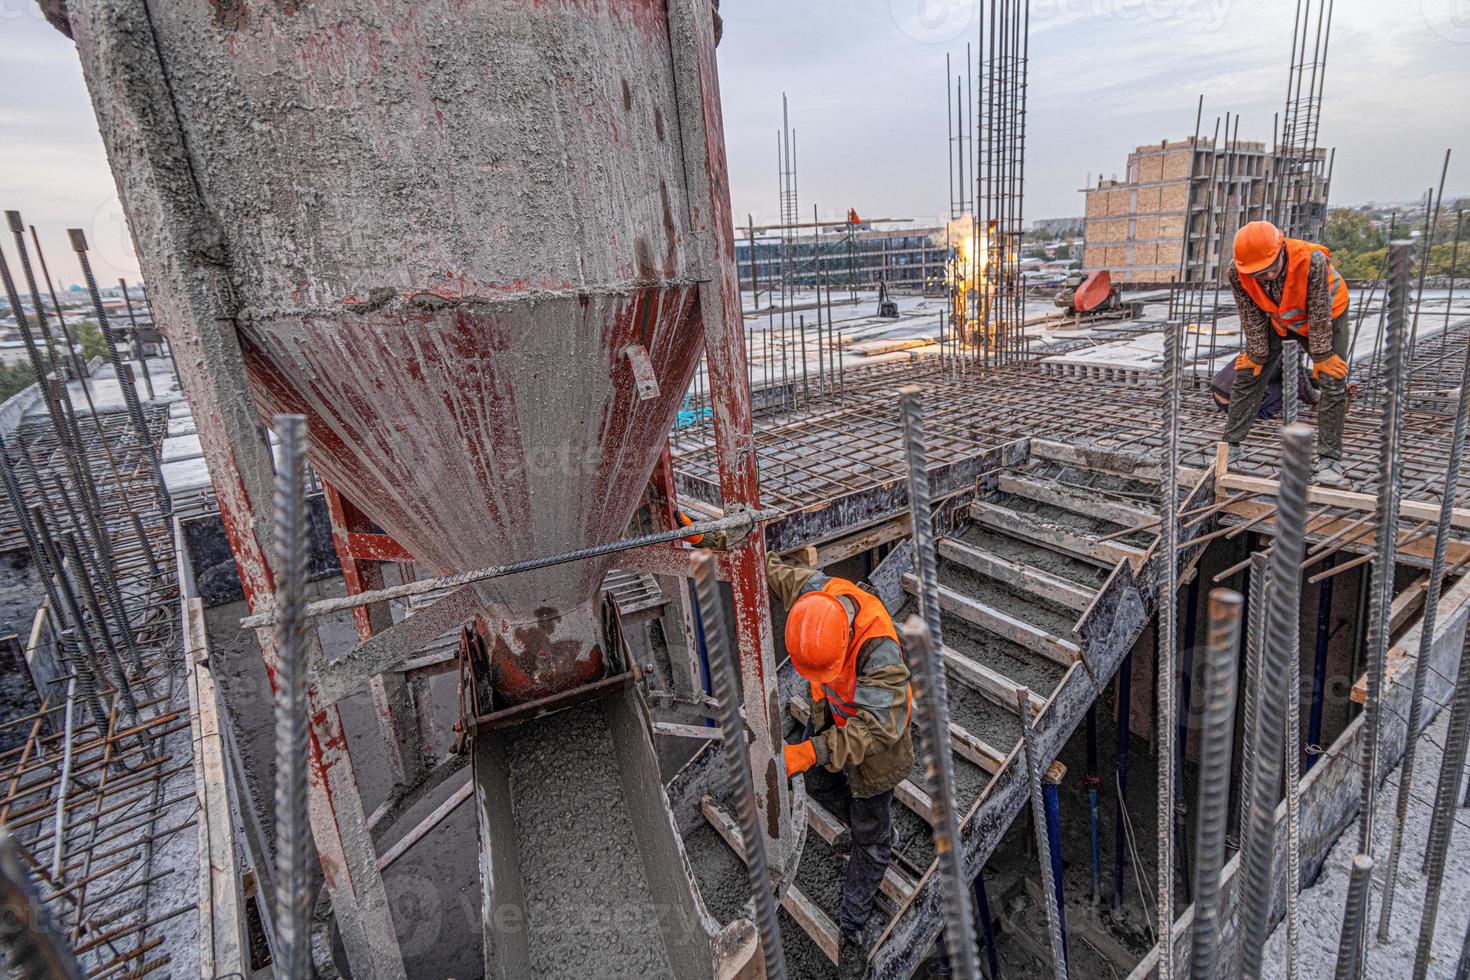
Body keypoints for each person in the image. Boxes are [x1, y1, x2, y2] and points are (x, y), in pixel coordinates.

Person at [768, 549, 913, 978]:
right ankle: (860, 825)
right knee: (825, 783)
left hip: (875, 751)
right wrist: (715, 543)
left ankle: (853, 925)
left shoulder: (879, 647)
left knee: (870, 834)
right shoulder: (814, 596)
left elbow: (875, 730)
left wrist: (811, 751)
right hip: (835, 716)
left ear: (848, 638)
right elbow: (767, 568)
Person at [1224, 220, 1352, 484]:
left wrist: (1322, 355)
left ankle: (1330, 460)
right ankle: (1231, 446)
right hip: (1280, 317)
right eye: (1260, 272)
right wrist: (1258, 354)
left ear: (1281, 248)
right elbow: (1250, 314)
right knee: (1250, 371)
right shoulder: (1237, 273)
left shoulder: (1311, 261)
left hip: (1327, 317)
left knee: (1333, 377)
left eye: (1271, 268)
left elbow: (1318, 310)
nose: (1268, 275)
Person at [1210, 356, 1320, 416]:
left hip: (1219, 393)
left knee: (1284, 373)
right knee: (1291, 385)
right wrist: (1317, 400)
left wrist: (1324, 381)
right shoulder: (1291, 346)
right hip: (1238, 403)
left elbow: (1302, 372)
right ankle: (1261, 414)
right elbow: (1301, 384)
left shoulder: (1266, 338)